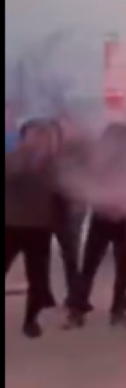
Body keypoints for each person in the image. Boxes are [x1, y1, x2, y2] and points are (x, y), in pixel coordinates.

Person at [73, 123, 126, 328]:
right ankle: (79, 308)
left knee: (121, 268)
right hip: (103, 218)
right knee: (91, 265)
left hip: (123, 219)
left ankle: (115, 309)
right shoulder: (100, 163)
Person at [5, 119, 64, 338]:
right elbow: (11, 176)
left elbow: (61, 189)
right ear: (23, 138)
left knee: (38, 278)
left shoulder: (52, 163)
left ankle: (30, 321)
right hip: (11, 225)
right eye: (35, 135)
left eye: (44, 135)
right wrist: (28, 158)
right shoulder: (12, 158)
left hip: (40, 228)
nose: (40, 139)